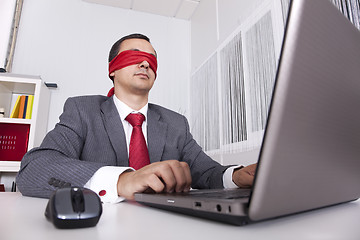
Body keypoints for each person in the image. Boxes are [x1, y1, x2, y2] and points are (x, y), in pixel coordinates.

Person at [16, 33, 257, 203]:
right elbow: (34, 168)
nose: (144, 63)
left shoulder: (176, 123)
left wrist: (237, 176)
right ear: (112, 69)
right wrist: (122, 181)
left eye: (151, 59)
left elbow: (206, 172)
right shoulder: (82, 110)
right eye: (134, 56)